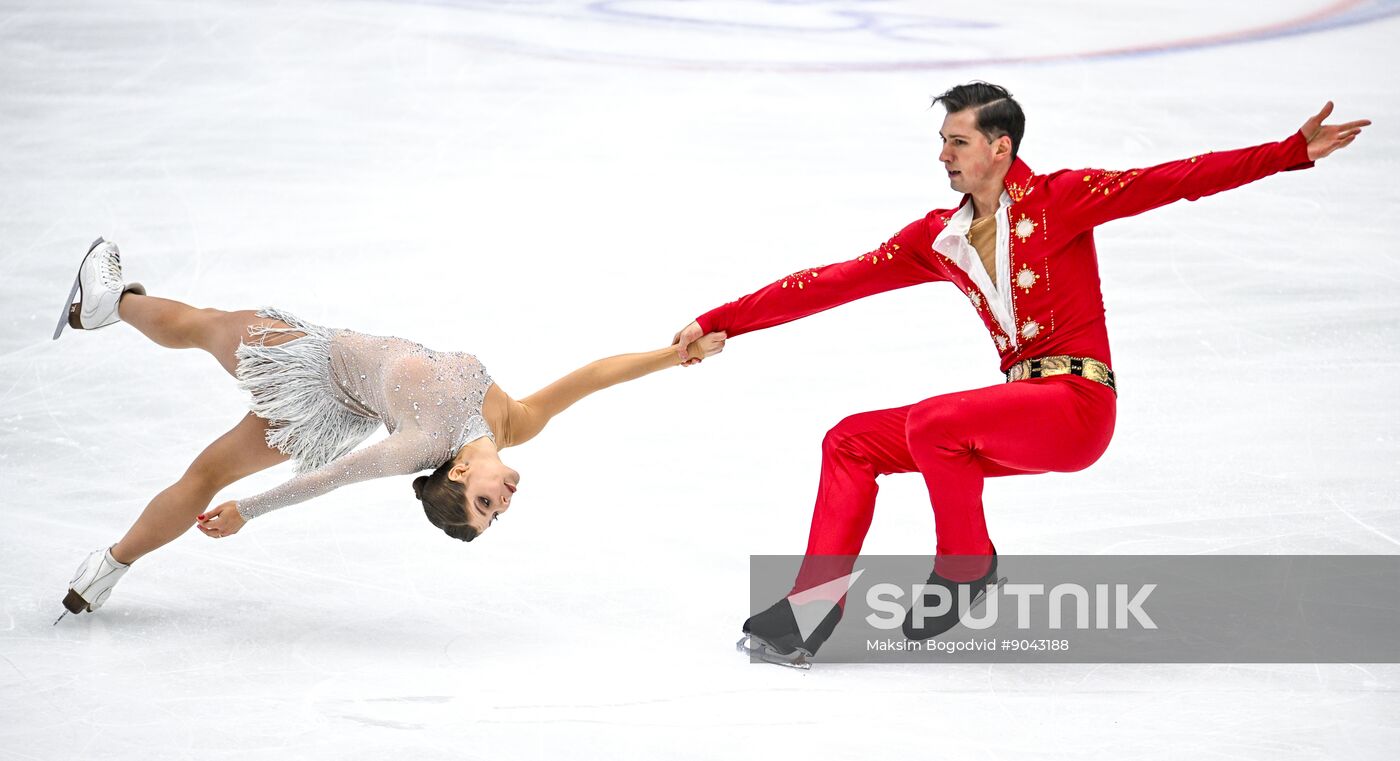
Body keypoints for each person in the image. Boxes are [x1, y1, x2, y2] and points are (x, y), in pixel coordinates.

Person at [670, 83, 1368, 667]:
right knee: (851, 439)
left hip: (1076, 405)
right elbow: (831, 282)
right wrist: (722, 319)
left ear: (1001, 147)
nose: (943, 154)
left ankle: (967, 567)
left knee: (935, 422)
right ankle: (810, 607)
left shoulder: (1063, 198)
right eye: (943, 141)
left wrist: (1288, 153)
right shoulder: (936, 239)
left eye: (958, 141)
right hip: (1013, 412)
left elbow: (1172, 181)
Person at [53, 238, 726, 619]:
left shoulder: (421, 446)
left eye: (485, 503)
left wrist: (246, 510)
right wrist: (674, 356)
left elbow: (330, 477)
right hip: (338, 402)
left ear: (459, 473)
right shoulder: (515, 423)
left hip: (308, 366)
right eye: (499, 510)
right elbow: (595, 376)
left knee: (204, 328)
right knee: (201, 465)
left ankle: (115, 303)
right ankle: (104, 571)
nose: (505, 498)